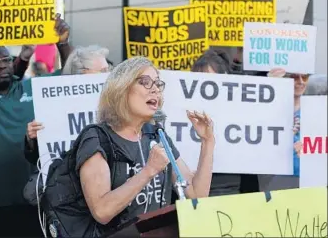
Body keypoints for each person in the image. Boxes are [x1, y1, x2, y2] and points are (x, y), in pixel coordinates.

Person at [72, 56, 215, 236]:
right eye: (145, 82)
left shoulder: (156, 134)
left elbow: (196, 195)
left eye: (157, 83)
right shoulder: (97, 138)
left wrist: (207, 142)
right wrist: (148, 171)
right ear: (121, 89)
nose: (155, 89)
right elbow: (102, 211)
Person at [0, 18, 70, 237]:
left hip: (29, 199)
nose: (2, 64)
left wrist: (62, 43)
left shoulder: (31, 87)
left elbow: (69, 79)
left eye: (5, 59)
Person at [24, 45, 111, 164]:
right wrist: (32, 140)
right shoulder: (53, 109)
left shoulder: (115, 104)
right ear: (83, 73)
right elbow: (42, 160)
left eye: (109, 69)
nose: (109, 74)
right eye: (103, 71)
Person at [191, 49, 260, 196]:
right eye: (198, 79)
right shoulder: (186, 114)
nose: (205, 86)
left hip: (233, 194)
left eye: (210, 80)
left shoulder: (242, 113)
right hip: (195, 195)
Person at [259, 68, 309, 191]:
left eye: (305, 77)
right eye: (294, 77)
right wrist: (271, 83)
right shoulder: (269, 110)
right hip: (275, 177)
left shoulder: (316, 110)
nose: (301, 82)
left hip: (306, 178)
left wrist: (309, 150)